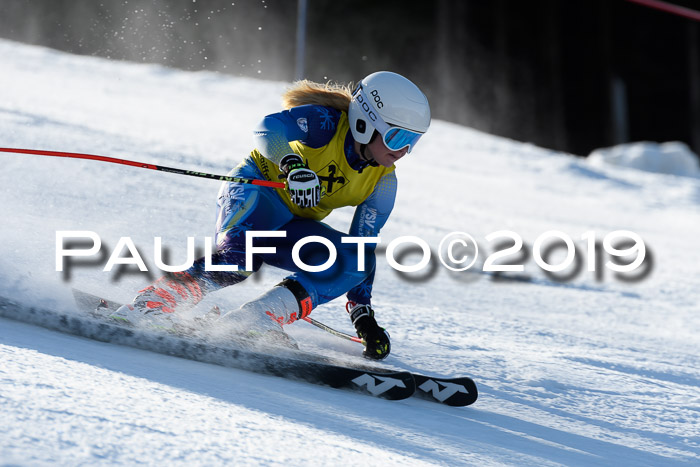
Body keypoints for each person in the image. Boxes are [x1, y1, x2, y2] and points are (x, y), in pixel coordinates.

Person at [113, 71, 431, 360]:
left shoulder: (383, 183)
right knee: (240, 260)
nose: (402, 151)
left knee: (356, 259)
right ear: (365, 123)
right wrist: (293, 165)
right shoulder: (327, 123)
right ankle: (151, 304)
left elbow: (361, 250)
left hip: (289, 225)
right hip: (253, 195)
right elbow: (267, 128)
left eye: (412, 142)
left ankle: (256, 319)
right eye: (397, 138)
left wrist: (364, 317)